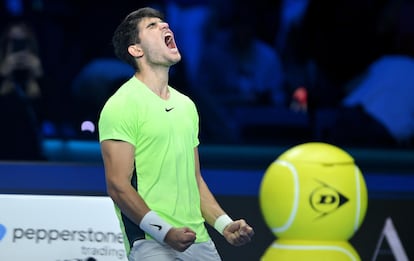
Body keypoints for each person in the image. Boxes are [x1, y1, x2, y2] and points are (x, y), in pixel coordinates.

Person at [98, 7, 254, 261]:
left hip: (199, 240)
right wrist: (164, 232)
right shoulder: (121, 105)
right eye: (152, 26)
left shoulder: (186, 106)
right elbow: (118, 186)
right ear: (136, 50)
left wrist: (225, 225)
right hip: (150, 243)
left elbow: (194, 180)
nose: (164, 26)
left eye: (163, 23)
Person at [0, 20, 44, 160]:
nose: (18, 49)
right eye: (13, 42)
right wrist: (2, 75)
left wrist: (39, 77)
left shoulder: (41, 77)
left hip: (32, 157)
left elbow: (58, 117)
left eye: (23, 42)